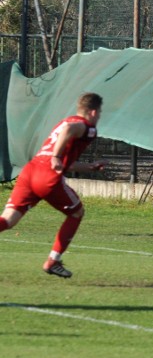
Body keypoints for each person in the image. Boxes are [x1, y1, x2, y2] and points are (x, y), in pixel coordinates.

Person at [0, 92, 107, 278]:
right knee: (77, 213)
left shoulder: (64, 121)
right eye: (99, 113)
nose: (99, 117)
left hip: (31, 171)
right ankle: (53, 260)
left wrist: (88, 167)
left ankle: (54, 261)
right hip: (46, 174)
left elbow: (62, 156)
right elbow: (68, 132)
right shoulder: (86, 126)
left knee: (8, 220)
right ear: (92, 112)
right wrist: (57, 156)